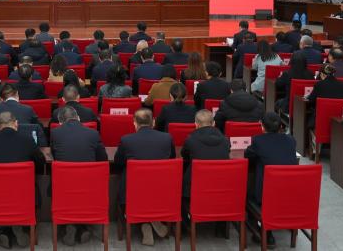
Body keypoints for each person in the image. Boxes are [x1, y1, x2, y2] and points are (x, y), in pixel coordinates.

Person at [0, 110, 45, 248]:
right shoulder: (27, 140)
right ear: (16, 124)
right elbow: (40, 163)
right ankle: (17, 226)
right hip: (23, 194)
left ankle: (5, 229)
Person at [113, 109, 174, 246]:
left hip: (133, 194)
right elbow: (171, 159)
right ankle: (151, 221)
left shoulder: (126, 140)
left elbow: (118, 162)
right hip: (161, 192)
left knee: (127, 181)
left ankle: (145, 223)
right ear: (153, 122)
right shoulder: (167, 138)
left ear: (135, 123)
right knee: (149, 193)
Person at [50, 105, 107, 246]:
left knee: (69, 188)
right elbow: (103, 158)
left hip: (63, 185)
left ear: (60, 122)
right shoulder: (93, 134)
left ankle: (71, 225)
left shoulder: (55, 133)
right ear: (79, 118)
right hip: (89, 186)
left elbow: (55, 155)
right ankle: (80, 227)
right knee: (82, 191)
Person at [245, 112, 298, 248]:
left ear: (262, 127)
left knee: (247, 191)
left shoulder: (258, 141)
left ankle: (261, 229)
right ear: (281, 126)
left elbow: (247, 155)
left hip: (267, 197)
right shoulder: (291, 140)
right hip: (290, 194)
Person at [181, 109, 230, 213]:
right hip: (221, 186)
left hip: (194, 188)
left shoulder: (190, 140)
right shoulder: (226, 140)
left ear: (196, 124)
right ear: (214, 123)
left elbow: (184, 156)